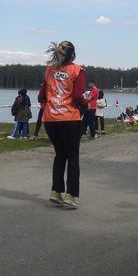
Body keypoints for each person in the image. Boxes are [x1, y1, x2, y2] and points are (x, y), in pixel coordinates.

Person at [39, 41, 87, 209]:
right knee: (73, 156)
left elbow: (41, 95)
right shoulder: (77, 70)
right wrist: (85, 104)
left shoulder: (49, 70)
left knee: (60, 155)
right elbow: (77, 96)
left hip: (51, 119)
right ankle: (71, 195)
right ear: (72, 55)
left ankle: (55, 191)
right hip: (69, 118)